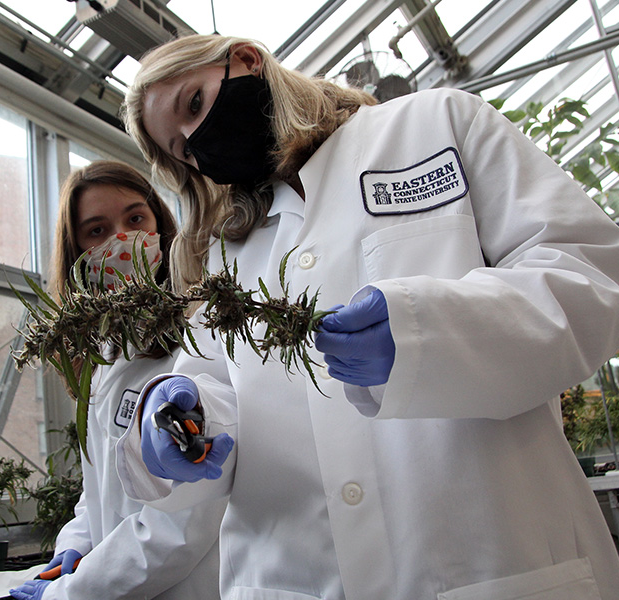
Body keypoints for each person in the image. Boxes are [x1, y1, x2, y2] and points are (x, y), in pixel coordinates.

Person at [114, 34, 619, 600]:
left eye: (195, 105)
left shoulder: (436, 126)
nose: (200, 140)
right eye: (184, 149)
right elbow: (217, 391)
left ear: (247, 61)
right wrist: (187, 420)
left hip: (489, 561)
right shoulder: (228, 249)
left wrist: (431, 332)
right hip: (296, 575)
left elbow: (588, 271)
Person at [10, 160, 225, 600]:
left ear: (161, 225)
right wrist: (75, 545)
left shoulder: (196, 335)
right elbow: (98, 487)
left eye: (134, 219)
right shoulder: (102, 356)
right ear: (77, 256)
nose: (122, 240)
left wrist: (76, 593)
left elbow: (185, 519)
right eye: (97, 230)